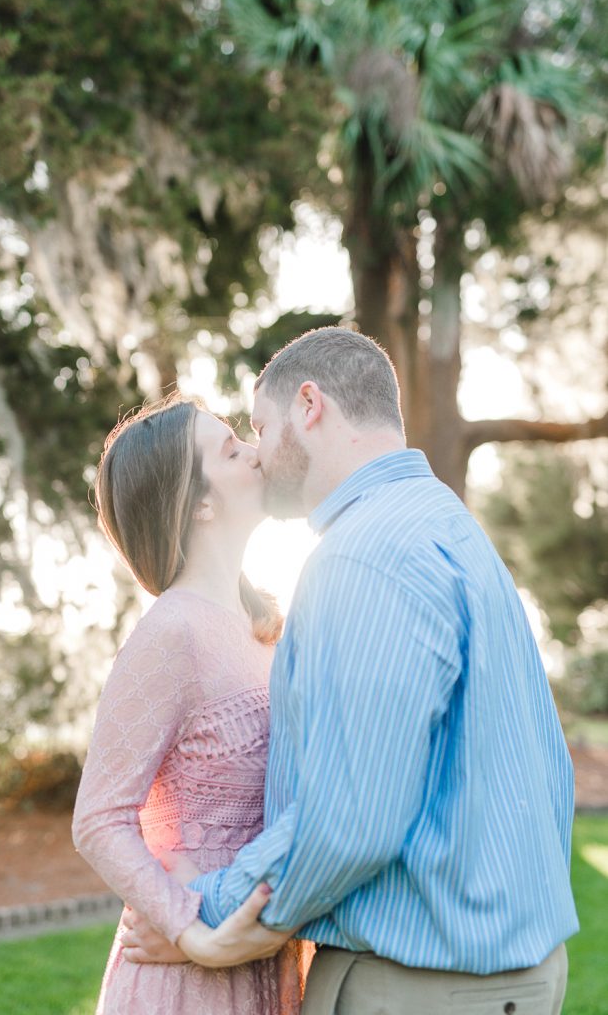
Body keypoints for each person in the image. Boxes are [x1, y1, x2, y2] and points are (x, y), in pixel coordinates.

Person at [123, 327, 578, 1015]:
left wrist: (202, 914)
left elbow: (349, 819)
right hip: (498, 972)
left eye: (259, 425)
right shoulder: (444, 524)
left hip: (424, 987)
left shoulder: (361, 554)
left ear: (309, 405)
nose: (256, 450)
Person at [72, 398, 310, 1014]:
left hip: (259, 952)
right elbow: (99, 817)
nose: (257, 451)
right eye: (232, 450)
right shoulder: (171, 633)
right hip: (188, 979)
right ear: (198, 503)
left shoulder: (264, 629)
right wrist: (195, 934)